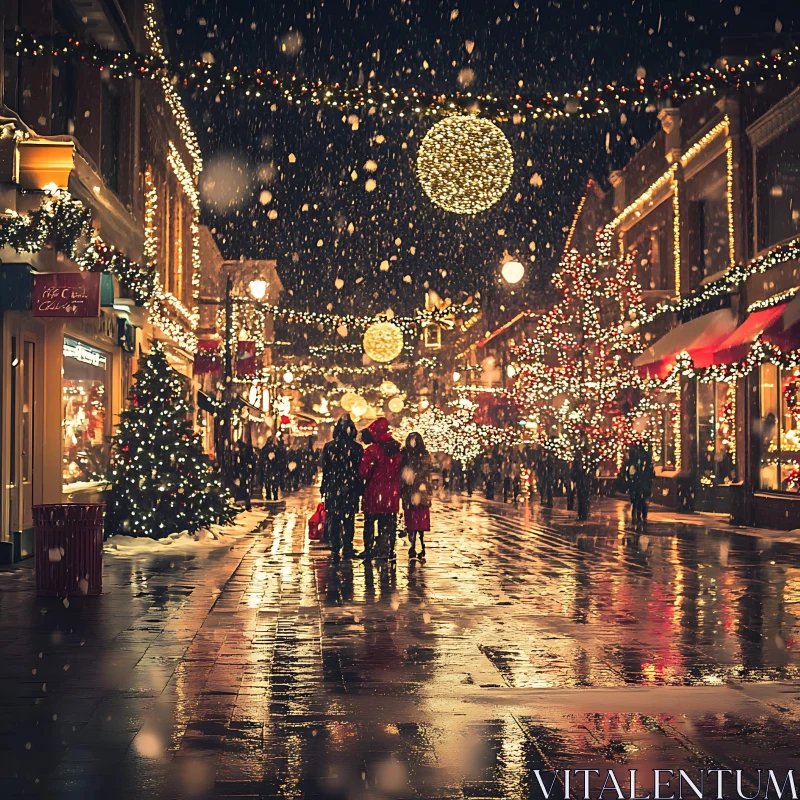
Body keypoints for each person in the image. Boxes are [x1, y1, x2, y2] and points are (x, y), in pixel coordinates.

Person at [320, 415, 363, 561]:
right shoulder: (356, 448)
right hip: (350, 488)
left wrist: (324, 486)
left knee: (334, 517)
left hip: (333, 487)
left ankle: (335, 545)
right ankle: (347, 545)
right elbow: (359, 471)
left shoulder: (330, 447)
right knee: (348, 518)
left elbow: (325, 469)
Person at [358, 418, 402, 561]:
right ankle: (387, 549)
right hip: (391, 492)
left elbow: (363, 470)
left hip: (374, 491)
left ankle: (369, 549)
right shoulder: (396, 449)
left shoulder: (371, 450)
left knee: (370, 522)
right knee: (388, 522)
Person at [400, 432, 433, 560]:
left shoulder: (406, 455)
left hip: (413, 492)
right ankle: (417, 544)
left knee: (414, 520)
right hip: (417, 492)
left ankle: (415, 544)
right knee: (417, 520)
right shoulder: (423, 455)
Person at [626, 442, 655, 529]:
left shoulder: (642, 465)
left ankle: (640, 516)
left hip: (640, 485)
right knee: (639, 502)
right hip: (639, 485)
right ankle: (639, 516)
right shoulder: (637, 465)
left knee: (640, 502)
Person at [234, 437, 256, 511]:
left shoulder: (242, 453)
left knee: (244, 487)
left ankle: (245, 502)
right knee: (244, 488)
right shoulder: (242, 452)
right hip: (243, 472)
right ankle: (245, 502)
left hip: (243, 472)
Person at [260, 436, 282, 501]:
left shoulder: (265, 449)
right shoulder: (275, 448)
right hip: (272, 469)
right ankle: (273, 494)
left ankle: (270, 495)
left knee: (270, 483)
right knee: (271, 483)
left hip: (271, 469)